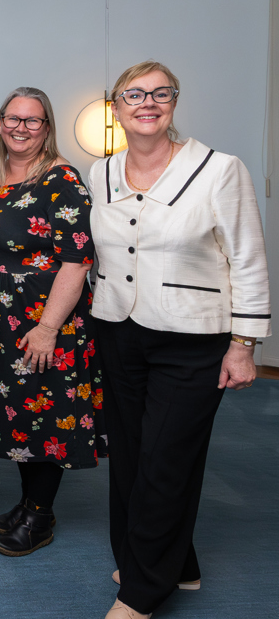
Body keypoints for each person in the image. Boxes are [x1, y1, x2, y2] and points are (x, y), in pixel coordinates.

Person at [89, 62, 269, 619]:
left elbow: (248, 258)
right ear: (115, 107)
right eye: (134, 94)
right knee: (131, 457)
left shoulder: (219, 169)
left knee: (167, 457)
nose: (148, 102)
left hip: (193, 337)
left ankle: (142, 591)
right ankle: (174, 562)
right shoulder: (101, 172)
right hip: (118, 330)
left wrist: (246, 342)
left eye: (160, 93)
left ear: (174, 102)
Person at [0, 87, 104, 557]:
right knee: (20, 415)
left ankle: (41, 516)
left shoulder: (61, 178)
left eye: (32, 121)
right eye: (13, 119)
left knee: (47, 417)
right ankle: (29, 503)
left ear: (46, 128)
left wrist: (48, 327)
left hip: (50, 320)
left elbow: (78, 260)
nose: (21, 128)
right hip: (2, 319)